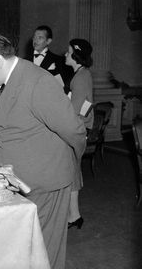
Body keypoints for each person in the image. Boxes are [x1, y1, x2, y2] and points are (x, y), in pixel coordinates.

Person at [0, 34, 86, 269]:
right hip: (15, 184)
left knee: (43, 253)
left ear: (0, 61)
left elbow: (74, 130)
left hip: (45, 184)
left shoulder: (37, 81)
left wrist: (70, 165)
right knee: (21, 251)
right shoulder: (3, 82)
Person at [65, 38, 94, 229]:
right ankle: (74, 216)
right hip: (80, 128)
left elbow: (74, 111)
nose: (65, 55)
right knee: (72, 172)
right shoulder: (82, 74)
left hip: (77, 130)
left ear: (76, 55)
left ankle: (74, 216)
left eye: (68, 52)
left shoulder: (81, 77)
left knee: (71, 172)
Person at [27, 25, 73, 93]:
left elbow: (64, 87)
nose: (35, 40)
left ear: (48, 41)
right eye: (34, 37)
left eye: (40, 37)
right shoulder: (25, 60)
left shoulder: (59, 61)